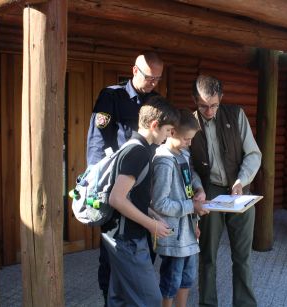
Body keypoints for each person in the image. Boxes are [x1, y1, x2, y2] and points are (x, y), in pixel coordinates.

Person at [85, 52, 164, 305]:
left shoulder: (156, 101)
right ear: (134, 71)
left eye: (157, 79)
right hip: (117, 186)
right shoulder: (112, 96)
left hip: (143, 185)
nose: (153, 82)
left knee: (144, 250)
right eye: (149, 77)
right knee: (113, 255)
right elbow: (97, 143)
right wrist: (98, 186)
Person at [189, 75, 262, 307]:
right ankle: (208, 304)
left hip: (240, 192)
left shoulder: (236, 115)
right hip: (209, 193)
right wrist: (198, 188)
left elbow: (253, 154)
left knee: (242, 257)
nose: (209, 111)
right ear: (194, 100)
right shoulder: (188, 124)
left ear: (221, 97)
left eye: (213, 105)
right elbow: (188, 165)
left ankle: (245, 304)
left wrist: (241, 180)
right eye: (203, 106)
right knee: (207, 256)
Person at [105, 96, 179, 307]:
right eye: (166, 131)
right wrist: (151, 224)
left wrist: (153, 214)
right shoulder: (138, 152)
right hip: (127, 239)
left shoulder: (133, 145)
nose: (167, 137)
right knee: (150, 301)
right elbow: (117, 198)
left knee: (119, 298)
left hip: (117, 235)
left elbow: (132, 196)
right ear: (155, 125)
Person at [151, 109, 210, 307]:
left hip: (188, 233)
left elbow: (191, 176)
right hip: (174, 235)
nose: (190, 143)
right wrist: (191, 207)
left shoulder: (183, 153)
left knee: (187, 278)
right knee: (170, 281)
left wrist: (199, 189)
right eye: (186, 139)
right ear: (172, 132)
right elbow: (159, 203)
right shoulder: (163, 162)